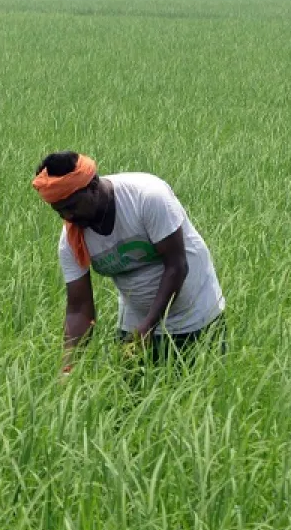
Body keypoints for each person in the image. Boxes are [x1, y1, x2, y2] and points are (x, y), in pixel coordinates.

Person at [32, 152, 225, 368]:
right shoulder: (72, 240)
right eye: (60, 211)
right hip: (137, 321)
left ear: (93, 185)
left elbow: (176, 266)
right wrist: (68, 367)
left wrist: (149, 325)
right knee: (130, 396)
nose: (68, 217)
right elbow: (79, 308)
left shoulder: (147, 197)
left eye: (72, 206)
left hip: (194, 314)